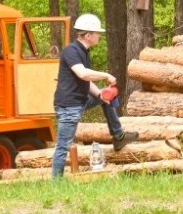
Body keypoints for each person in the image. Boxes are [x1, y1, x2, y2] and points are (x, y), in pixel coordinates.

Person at [51, 13, 138, 178]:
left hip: (80, 100)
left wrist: (100, 94)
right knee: (63, 146)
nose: (99, 36)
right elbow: (83, 74)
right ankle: (56, 182)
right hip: (69, 105)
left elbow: (85, 81)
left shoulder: (83, 52)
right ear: (88, 35)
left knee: (106, 99)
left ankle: (118, 136)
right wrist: (105, 75)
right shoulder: (71, 51)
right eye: (97, 33)